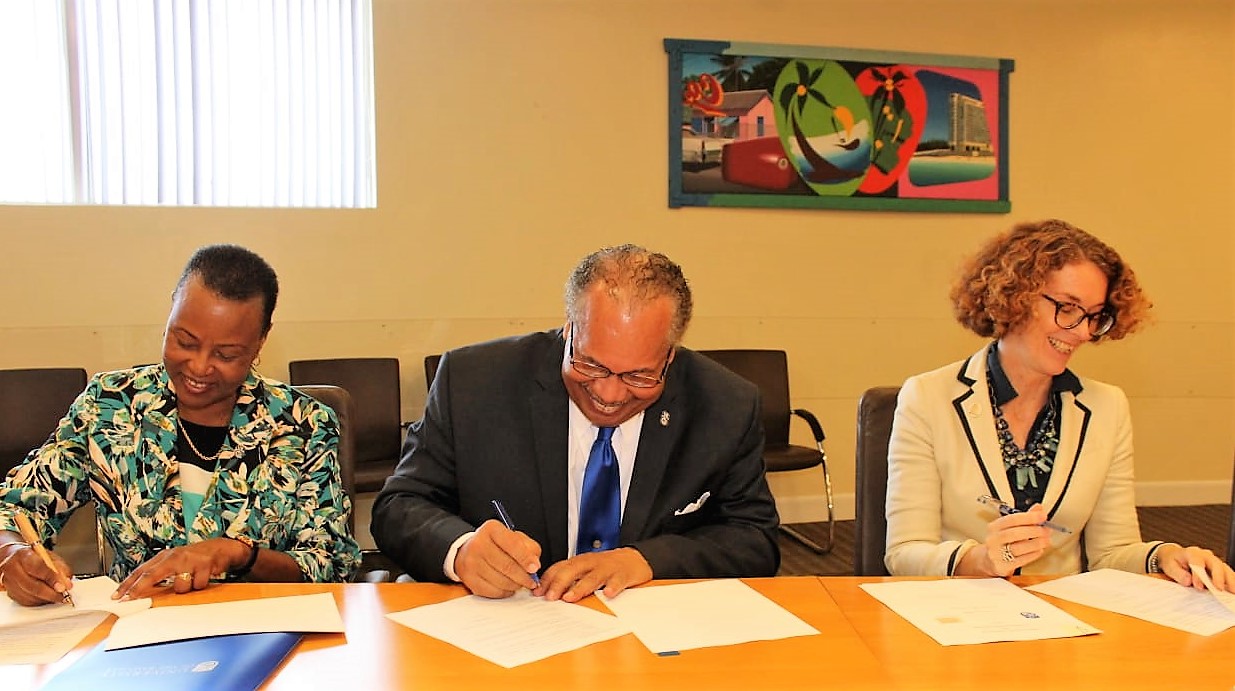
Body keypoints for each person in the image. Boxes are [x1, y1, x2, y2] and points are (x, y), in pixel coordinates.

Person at [373, 244, 779, 601]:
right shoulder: (473, 381)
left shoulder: (726, 405)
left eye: (639, 376)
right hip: (511, 635)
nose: (610, 395)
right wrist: (459, 550)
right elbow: (399, 507)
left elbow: (754, 538)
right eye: (591, 365)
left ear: (670, 356)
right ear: (568, 331)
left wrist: (646, 560)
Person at [884, 219, 1234, 591]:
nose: (1083, 331)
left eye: (1094, 316)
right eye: (1068, 308)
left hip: (1065, 619)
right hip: (953, 614)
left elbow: (1111, 553)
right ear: (1014, 296)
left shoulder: (1107, 407)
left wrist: (1163, 556)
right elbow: (905, 552)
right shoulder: (927, 397)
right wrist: (982, 561)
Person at [0, 245, 360, 606]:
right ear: (172, 308)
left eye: (226, 354)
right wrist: (12, 552)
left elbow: (331, 563)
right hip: (143, 634)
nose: (199, 368)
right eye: (184, 342)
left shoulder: (303, 424)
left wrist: (237, 554)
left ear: (260, 341)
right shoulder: (112, 407)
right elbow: (15, 505)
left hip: (267, 632)